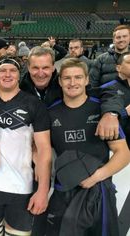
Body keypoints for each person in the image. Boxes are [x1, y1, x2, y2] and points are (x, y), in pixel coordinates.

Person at [46, 58, 130, 235]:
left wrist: (97, 176)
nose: (73, 83)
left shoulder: (104, 111)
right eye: (67, 78)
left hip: (98, 191)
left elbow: (123, 153)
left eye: (78, 77)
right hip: (64, 191)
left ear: (86, 80)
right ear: (60, 81)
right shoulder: (51, 112)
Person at [0, 57, 52, 236]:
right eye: (3, 70)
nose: (7, 74)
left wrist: (43, 190)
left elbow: (44, 150)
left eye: (12, 70)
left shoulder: (34, 104)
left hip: (21, 187)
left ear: (20, 75)